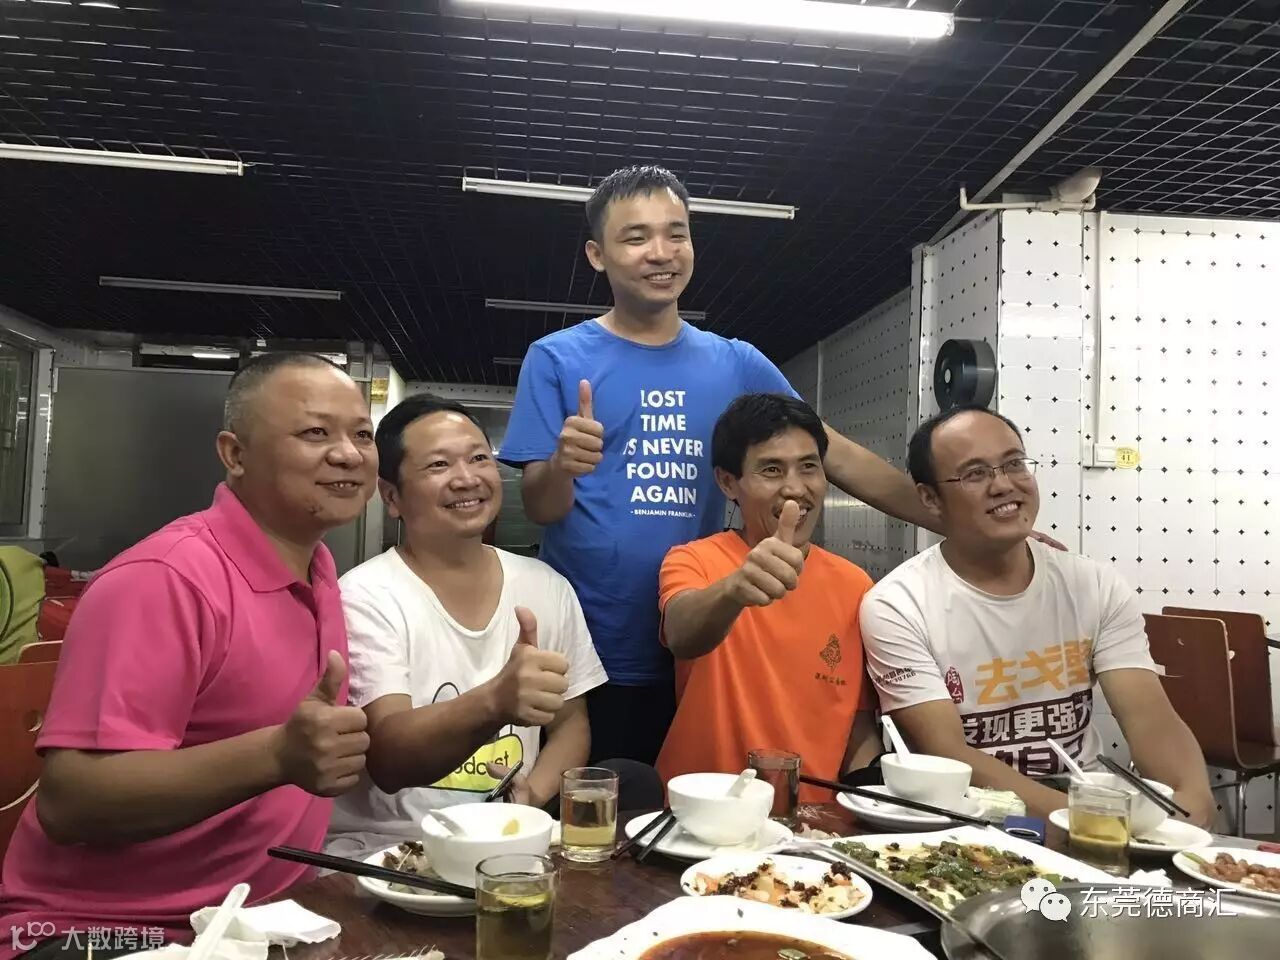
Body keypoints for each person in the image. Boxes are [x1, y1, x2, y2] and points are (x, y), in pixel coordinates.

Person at [499, 164, 1064, 765]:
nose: (660, 252)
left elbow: (837, 455)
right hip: (590, 644)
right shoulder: (556, 358)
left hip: (708, 642)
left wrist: (965, 524)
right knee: (592, 805)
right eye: (636, 238)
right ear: (597, 254)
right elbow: (540, 507)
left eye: (676, 233)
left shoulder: (735, 362)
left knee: (684, 791)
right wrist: (563, 466)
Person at [0, 353, 377, 960]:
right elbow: (73, 802)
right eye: (315, 432)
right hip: (111, 930)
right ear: (235, 454)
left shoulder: (320, 570)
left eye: (362, 434)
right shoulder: (165, 578)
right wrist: (277, 755)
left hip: (265, 921)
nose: (348, 454)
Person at [326, 395, 659, 861]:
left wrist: (531, 797)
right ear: (392, 497)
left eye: (479, 458)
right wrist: (496, 699)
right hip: (390, 852)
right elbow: (390, 760)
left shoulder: (546, 586)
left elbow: (570, 723)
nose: (467, 478)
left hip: (507, 848)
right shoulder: (366, 596)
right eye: (439, 464)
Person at [859, 405, 1215, 825]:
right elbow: (947, 753)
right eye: (975, 474)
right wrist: (1094, 821)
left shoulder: (1094, 585)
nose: (1003, 484)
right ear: (930, 499)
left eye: (1014, 464)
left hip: (1081, 797)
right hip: (967, 817)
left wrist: (1190, 801)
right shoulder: (898, 604)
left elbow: (1150, 719)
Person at [655, 395, 881, 800]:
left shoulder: (855, 585)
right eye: (772, 470)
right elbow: (681, 633)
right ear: (728, 482)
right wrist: (735, 589)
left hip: (809, 819)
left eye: (809, 466)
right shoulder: (694, 560)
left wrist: (866, 803)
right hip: (701, 811)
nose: (795, 489)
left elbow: (857, 725)